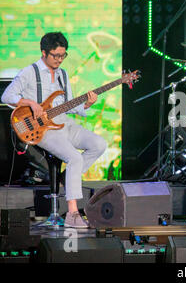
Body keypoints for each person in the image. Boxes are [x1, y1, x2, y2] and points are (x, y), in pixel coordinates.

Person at [1, 32, 107, 228]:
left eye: (62, 56)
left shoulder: (63, 74)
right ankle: (73, 213)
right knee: (75, 158)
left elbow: (68, 105)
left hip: (64, 124)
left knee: (99, 144)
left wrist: (87, 104)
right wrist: (31, 103)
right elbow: (7, 96)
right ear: (43, 53)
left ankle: (66, 178)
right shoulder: (29, 72)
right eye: (55, 55)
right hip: (42, 130)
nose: (59, 60)